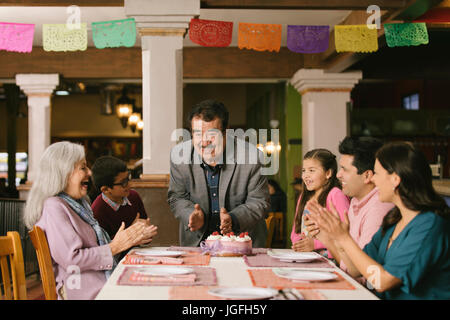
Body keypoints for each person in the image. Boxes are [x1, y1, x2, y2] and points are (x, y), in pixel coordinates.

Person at [307, 141, 450, 299]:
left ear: (395, 179)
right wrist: (333, 236)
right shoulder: (394, 220)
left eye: (377, 174)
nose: (373, 180)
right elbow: (355, 269)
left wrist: (344, 238)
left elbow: (382, 282)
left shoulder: (428, 225)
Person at [23, 142, 157, 300]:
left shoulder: (78, 206)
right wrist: (115, 246)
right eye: (83, 167)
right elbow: (73, 259)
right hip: (82, 291)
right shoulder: (54, 206)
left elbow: (96, 251)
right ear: (63, 172)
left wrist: (126, 239)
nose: (89, 172)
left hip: (95, 283)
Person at [168, 99, 270, 248]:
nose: (204, 142)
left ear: (226, 132)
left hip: (242, 242)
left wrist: (234, 219)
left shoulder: (252, 157)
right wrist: (190, 214)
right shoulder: (180, 156)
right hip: (197, 242)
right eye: (197, 134)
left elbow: (259, 202)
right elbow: (176, 197)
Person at [305, 137, 394, 270]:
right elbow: (349, 267)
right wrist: (325, 234)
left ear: (367, 176)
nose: (338, 175)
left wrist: (334, 237)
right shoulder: (356, 201)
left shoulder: (379, 208)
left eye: (344, 169)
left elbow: (360, 272)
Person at [290, 148, 349, 257]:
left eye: (311, 170)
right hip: (306, 257)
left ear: (328, 173)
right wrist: (298, 243)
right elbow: (296, 229)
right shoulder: (304, 196)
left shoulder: (336, 195)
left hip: (332, 259)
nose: (305, 175)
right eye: (304, 171)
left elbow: (346, 233)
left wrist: (314, 244)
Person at [90, 156, 154, 240]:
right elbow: (105, 246)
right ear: (105, 189)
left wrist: (146, 231)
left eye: (128, 178)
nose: (129, 185)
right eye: (123, 183)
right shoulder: (97, 212)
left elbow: (146, 236)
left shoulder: (133, 196)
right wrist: (132, 231)